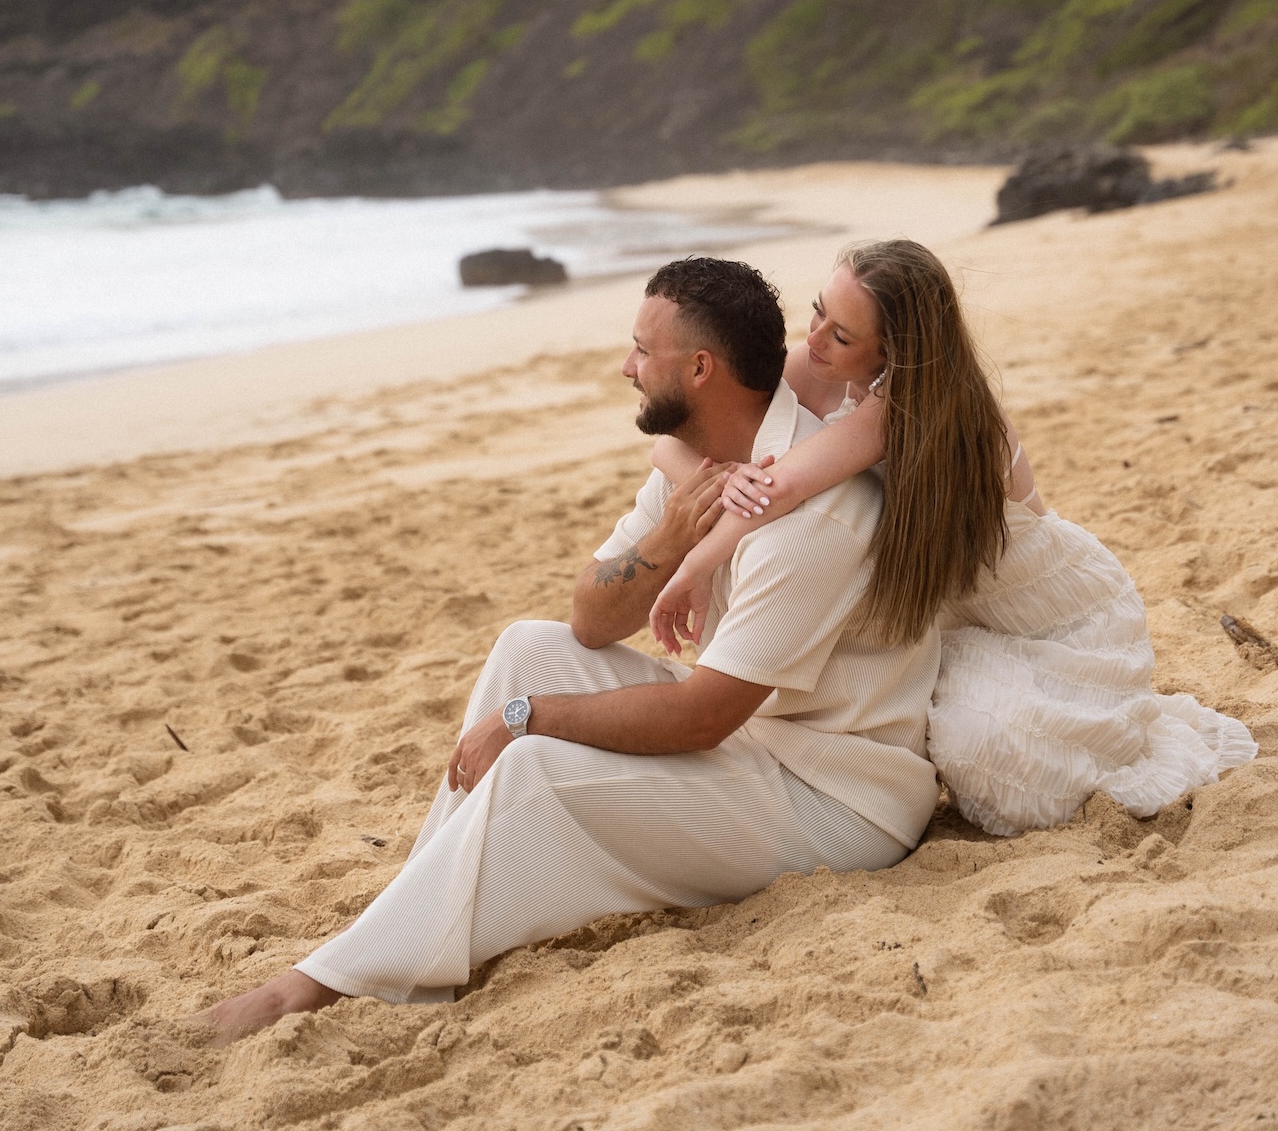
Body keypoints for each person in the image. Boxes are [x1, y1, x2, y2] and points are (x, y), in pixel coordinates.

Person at [201, 256, 942, 1043]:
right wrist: (669, 534)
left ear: (699, 369)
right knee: (528, 646)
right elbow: (590, 619)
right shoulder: (706, 468)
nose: (626, 367)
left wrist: (526, 719)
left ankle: (316, 986)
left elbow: (703, 718)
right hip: (761, 744)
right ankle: (419, 907)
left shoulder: (814, 517)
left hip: (836, 799)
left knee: (535, 761)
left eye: (640, 351)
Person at [649, 239, 1256, 837]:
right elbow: (675, 437)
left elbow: (780, 487)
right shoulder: (819, 363)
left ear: (895, 353)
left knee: (997, 759)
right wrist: (725, 476)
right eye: (817, 311)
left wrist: (694, 566)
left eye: (841, 334)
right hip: (962, 613)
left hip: (1044, 610)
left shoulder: (908, 404)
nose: (812, 338)